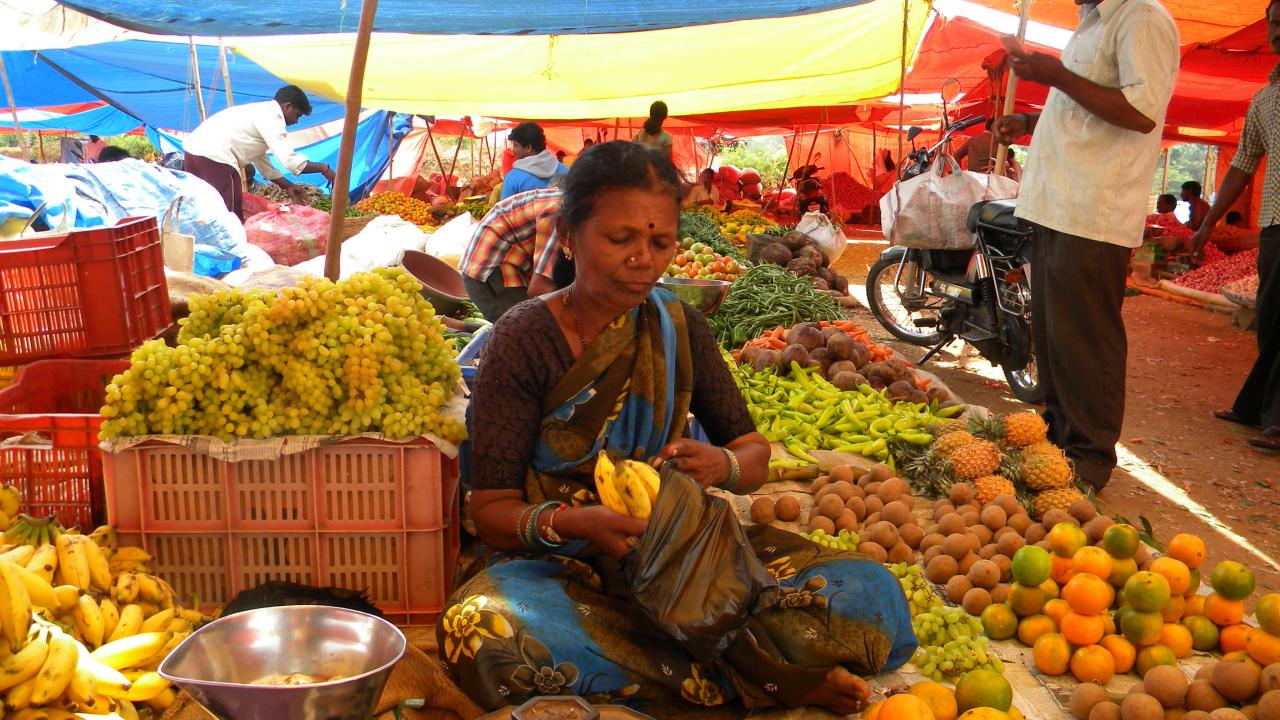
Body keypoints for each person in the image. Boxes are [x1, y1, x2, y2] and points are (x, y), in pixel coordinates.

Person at [440, 140, 914, 716]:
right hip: (560, 565)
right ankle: (770, 674)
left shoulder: (679, 325)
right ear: (567, 235)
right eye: (621, 239)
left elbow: (752, 451)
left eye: (660, 242)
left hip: (690, 558)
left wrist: (726, 465)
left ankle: (716, 673)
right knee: (487, 632)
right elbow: (490, 510)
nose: (644, 259)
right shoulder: (523, 339)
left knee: (869, 595)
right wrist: (572, 523)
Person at [991, 0, 1179, 489]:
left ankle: (1089, 457)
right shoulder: (1091, 24)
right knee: (1054, 338)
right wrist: (1032, 124)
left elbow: (1140, 112)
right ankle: (1057, 441)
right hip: (1058, 204)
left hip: (1094, 212)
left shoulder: (1141, 18)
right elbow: (1088, 111)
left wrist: (1057, 77)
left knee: (1085, 339)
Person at [1191, 0, 1280, 451]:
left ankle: (1274, 417)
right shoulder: (1265, 98)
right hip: (1275, 226)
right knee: (1270, 320)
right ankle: (1255, 408)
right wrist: (1206, 225)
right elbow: (1242, 164)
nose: (1277, 30)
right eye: (1273, 23)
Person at [182, 85, 335, 220]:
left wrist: (288, 186)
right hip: (214, 157)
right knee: (227, 215)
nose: (296, 121)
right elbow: (290, 161)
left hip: (194, 152)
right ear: (287, 107)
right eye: (297, 115)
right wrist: (324, 168)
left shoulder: (259, 112)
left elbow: (263, 163)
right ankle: (231, 252)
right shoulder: (273, 118)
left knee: (205, 209)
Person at [460, 188, 564, 322]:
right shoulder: (560, 214)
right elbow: (540, 288)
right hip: (490, 270)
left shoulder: (570, 205)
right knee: (525, 329)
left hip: (505, 262)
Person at [500, 122, 567, 200]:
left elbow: (505, 211)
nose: (513, 149)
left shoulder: (513, 178)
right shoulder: (565, 171)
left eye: (515, 145)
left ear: (529, 147)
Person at [954, 119, 1021, 179]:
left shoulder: (972, 140)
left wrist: (958, 175)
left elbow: (957, 155)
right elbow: (1001, 163)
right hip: (988, 182)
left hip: (972, 179)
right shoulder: (997, 144)